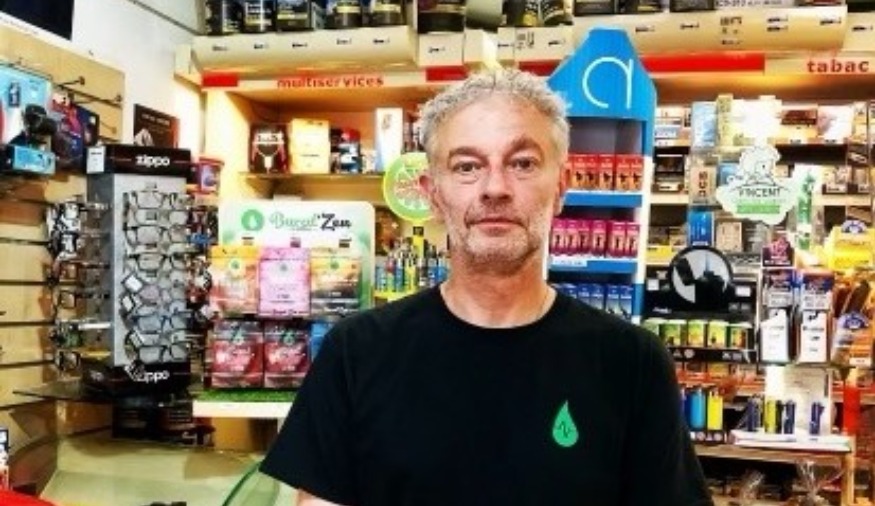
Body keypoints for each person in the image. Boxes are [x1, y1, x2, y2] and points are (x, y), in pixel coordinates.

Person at [260, 69, 713, 506]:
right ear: (433, 193)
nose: (495, 187)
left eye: (522, 163)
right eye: (467, 166)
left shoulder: (631, 362)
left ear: (561, 186)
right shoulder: (355, 353)